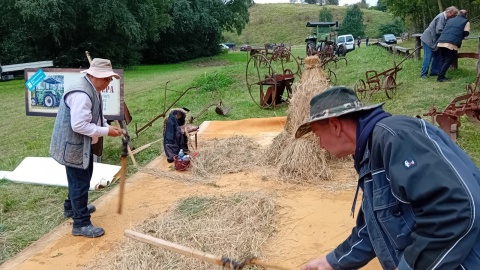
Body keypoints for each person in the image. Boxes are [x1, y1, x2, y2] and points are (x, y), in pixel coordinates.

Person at [296, 86, 480, 270]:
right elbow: (374, 228)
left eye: (318, 135)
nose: (320, 145)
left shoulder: (395, 138)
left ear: (335, 125)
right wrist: (331, 261)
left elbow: (456, 209)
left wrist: (412, 265)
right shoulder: (370, 152)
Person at [50, 58, 124, 238]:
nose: (107, 82)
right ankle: (81, 223)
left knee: (80, 178)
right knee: (80, 182)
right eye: (105, 78)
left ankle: (72, 208)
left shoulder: (93, 88)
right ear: (92, 75)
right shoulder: (82, 94)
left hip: (79, 144)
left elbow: (96, 116)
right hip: (74, 145)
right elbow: (79, 126)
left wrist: (107, 125)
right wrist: (107, 131)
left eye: (109, 79)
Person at [420, 6, 458, 79]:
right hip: (428, 40)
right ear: (449, 12)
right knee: (428, 57)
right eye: (453, 15)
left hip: (434, 41)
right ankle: (423, 74)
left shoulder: (446, 18)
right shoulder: (441, 17)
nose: (453, 17)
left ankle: (434, 71)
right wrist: (448, 34)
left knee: (437, 56)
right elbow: (439, 31)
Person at [436, 9, 470, 82]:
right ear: (466, 15)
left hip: (441, 41)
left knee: (442, 59)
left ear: (458, 13)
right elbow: (466, 33)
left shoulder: (450, 19)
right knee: (448, 60)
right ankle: (440, 77)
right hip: (451, 43)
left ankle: (440, 75)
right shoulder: (466, 21)